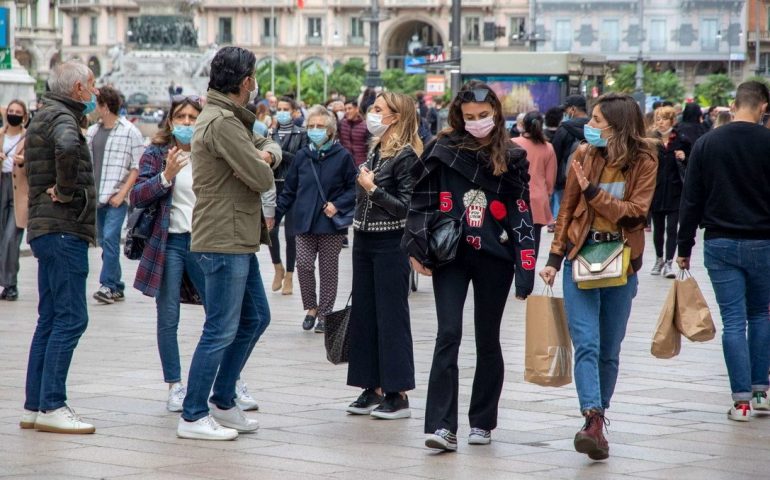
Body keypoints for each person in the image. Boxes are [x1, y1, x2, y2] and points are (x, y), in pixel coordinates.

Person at [404, 81, 535, 451]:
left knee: (487, 339)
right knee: (447, 334)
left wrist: (526, 270)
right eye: (469, 117)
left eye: (483, 116)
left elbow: (520, 213)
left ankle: (482, 422)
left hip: (496, 258)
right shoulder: (442, 149)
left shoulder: (512, 156)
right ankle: (442, 426)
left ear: (495, 113)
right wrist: (416, 248)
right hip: (451, 256)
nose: (477, 122)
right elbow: (421, 200)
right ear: (458, 117)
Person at [539, 93, 657, 461]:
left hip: (622, 261)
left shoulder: (645, 159)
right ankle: (592, 416)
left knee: (609, 348)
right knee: (586, 343)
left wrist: (594, 190)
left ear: (618, 127)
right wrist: (554, 258)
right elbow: (568, 209)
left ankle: (599, 419)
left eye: (596, 122)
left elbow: (636, 214)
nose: (588, 127)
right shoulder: (582, 155)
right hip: (581, 256)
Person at [178, 46, 274, 441]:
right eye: (252, 76)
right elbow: (261, 176)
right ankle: (193, 414)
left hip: (235, 235)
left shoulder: (225, 118)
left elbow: (257, 161)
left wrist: (265, 153)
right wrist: (268, 154)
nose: (255, 83)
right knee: (220, 328)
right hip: (222, 237)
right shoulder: (222, 122)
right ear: (243, 81)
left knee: (256, 317)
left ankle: (222, 399)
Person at [677, 80, 770, 423]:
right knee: (761, 315)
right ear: (763, 106)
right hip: (764, 242)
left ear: (733, 105)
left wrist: (683, 245)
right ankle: (762, 392)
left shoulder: (707, 142)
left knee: (734, 320)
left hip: (720, 243)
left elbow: (691, 198)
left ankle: (741, 402)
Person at [21, 61, 99, 434]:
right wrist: (67, 191)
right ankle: (52, 403)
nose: (95, 92)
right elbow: (67, 147)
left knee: (50, 317)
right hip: (64, 226)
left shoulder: (43, 114)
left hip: (44, 227)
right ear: (79, 88)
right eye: (92, 85)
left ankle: (35, 405)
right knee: (71, 317)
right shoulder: (64, 118)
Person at [346, 92, 422, 420]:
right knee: (365, 314)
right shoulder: (376, 150)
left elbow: (407, 206)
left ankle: (397, 392)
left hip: (391, 242)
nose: (371, 114)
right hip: (363, 239)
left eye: (378, 110)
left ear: (396, 116)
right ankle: (371, 385)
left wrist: (372, 189)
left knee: (391, 316)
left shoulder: (406, 156)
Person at [131, 96, 207, 412]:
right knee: (168, 316)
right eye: (181, 116)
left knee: (221, 314)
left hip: (205, 243)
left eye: (193, 117)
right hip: (171, 242)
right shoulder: (158, 153)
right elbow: (137, 195)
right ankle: (175, 384)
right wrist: (166, 176)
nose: (187, 122)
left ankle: (229, 378)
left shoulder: (210, 154)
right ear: (171, 121)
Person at [275, 106, 357, 333]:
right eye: (311, 126)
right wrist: (274, 217)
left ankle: (325, 314)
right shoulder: (302, 156)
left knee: (328, 270)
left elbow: (354, 189)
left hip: (330, 223)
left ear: (330, 130)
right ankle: (311, 307)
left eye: (320, 126)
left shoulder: (343, 157)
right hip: (303, 221)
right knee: (303, 264)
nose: (314, 130)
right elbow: (289, 191)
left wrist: (337, 205)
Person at [87, 86, 144, 304]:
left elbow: (137, 167)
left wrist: (123, 193)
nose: (94, 107)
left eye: (97, 103)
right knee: (104, 241)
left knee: (110, 238)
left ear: (105, 106)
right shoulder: (93, 132)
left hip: (116, 197)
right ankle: (117, 284)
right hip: (97, 196)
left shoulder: (130, 131)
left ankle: (108, 285)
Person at [269, 96, 308, 295]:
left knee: (291, 234)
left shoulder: (301, 133)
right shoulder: (270, 133)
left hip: (293, 188)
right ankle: (278, 267)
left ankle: (290, 276)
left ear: (293, 112)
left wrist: (278, 153)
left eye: (286, 108)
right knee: (270, 231)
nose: (281, 111)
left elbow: (301, 160)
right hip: (272, 186)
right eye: (279, 108)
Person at [649, 106, 690, 278]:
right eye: (658, 118)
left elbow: (692, 164)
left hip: (675, 191)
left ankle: (668, 262)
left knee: (672, 228)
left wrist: (684, 157)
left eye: (664, 118)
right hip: (656, 191)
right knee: (658, 228)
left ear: (672, 121)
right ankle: (659, 258)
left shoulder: (681, 140)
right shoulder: (650, 140)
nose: (660, 122)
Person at [512, 111, 556, 257]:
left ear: (523, 125)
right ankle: (529, 271)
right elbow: (550, 181)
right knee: (533, 244)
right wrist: (547, 195)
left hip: (516, 198)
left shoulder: (513, 144)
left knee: (514, 238)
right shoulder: (548, 147)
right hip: (538, 200)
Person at [0, 100, 29, 300]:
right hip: (2, 185)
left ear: (24, 115)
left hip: (19, 191)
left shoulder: (28, 138)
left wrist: (25, 161)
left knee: (11, 238)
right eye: (11, 111)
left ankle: (10, 284)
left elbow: (38, 163)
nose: (13, 114)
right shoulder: (0, 135)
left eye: (18, 112)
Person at [551, 95, 589, 226]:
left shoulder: (564, 129)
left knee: (567, 217)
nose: (566, 113)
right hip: (591, 180)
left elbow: (555, 155)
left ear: (573, 109)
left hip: (566, 182)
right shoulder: (595, 128)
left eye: (566, 110)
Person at [339, 100, 369, 167]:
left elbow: (369, 147)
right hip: (345, 163)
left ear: (357, 109)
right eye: (345, 109)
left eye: (349, 108)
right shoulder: (341, 124)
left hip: (361, 164)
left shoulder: (365, 126)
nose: (347, 111)